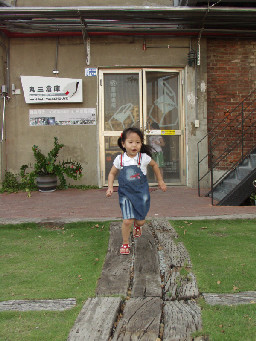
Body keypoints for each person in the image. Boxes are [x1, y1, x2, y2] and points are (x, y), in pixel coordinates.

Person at [106, 127, 167, 255]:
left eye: (138, 142)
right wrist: (110, 187)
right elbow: (112, 174)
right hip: (125, 194)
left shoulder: (143, 158)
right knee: (127, 220)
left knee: (140, 220)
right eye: (131, 142)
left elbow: (155, 165)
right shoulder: (120, 159)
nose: (134, 145)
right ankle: (125, 243)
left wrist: (160, 181)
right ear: (123, 144)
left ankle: (138, 226)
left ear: (141, 144)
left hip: (141, 194)